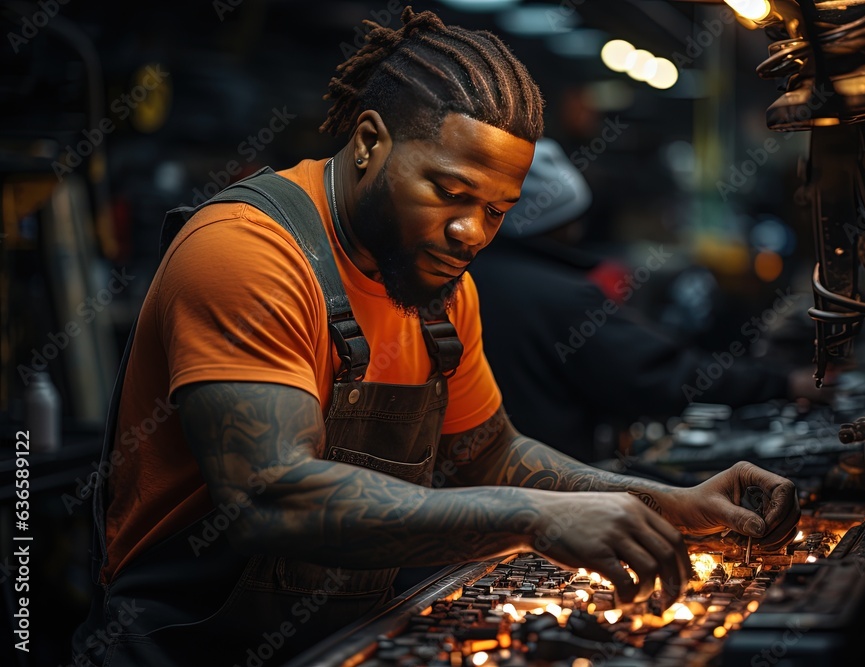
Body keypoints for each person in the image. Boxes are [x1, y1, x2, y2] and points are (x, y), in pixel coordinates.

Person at [71, 8, 801, 666]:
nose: (472, 232)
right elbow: (273, 495)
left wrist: (672, 504)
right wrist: (536, 518)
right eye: (450, 194)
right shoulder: (248, 252)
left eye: (498, 209)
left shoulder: (440, 287)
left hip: (337, 642)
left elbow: (489, 454)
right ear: (368, 142)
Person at [470, 138, 835, 463]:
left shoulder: (474, 276)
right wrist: (784, 383)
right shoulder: (559, 296)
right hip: (550, 485)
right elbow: (658, 374)